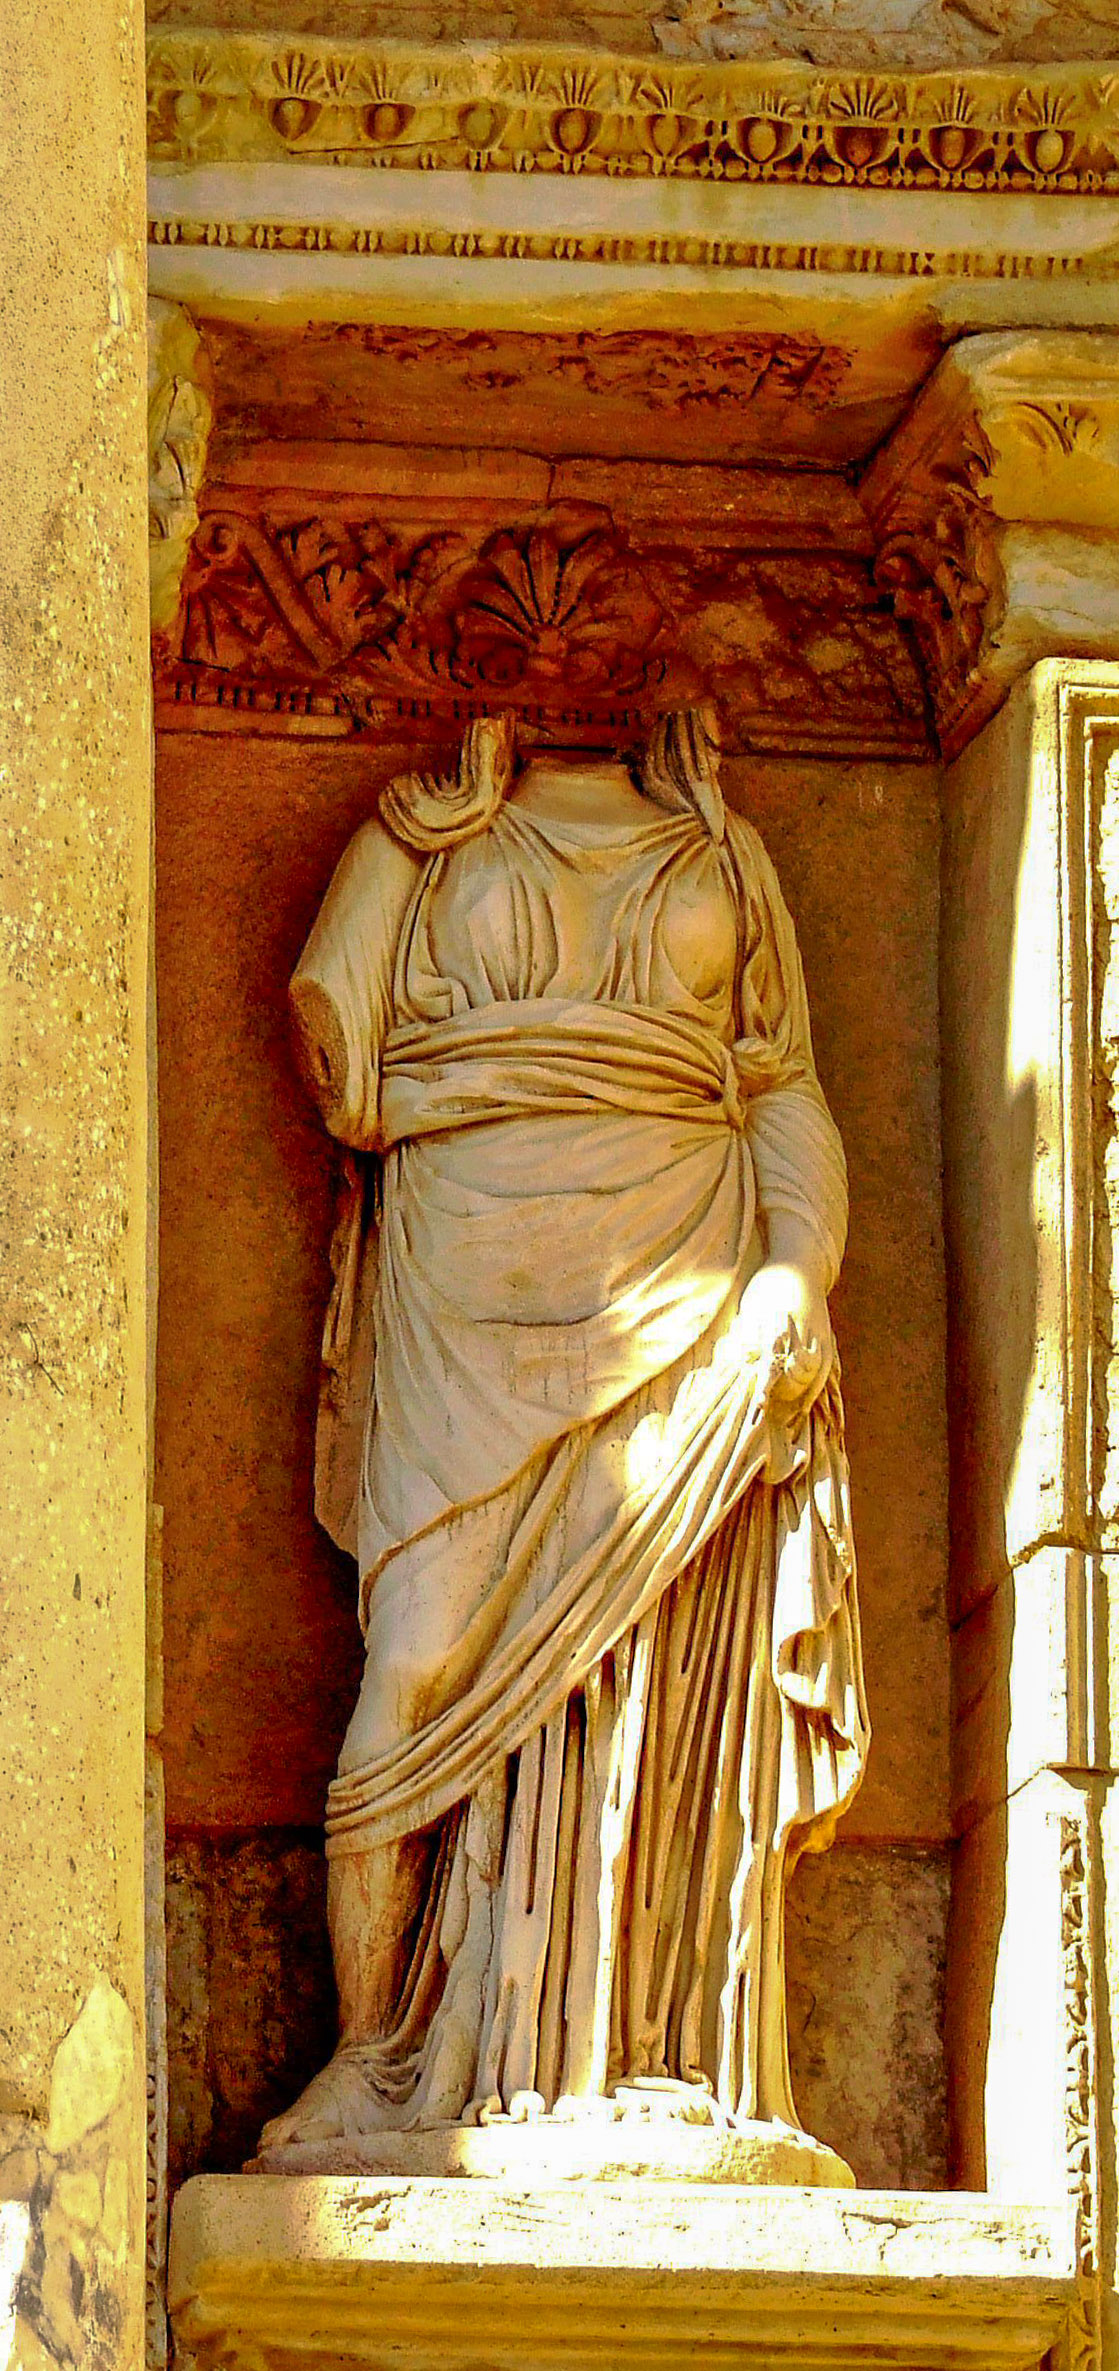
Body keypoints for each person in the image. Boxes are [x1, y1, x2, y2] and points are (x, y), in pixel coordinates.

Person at [258, 706, 869, 2173]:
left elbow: (777, 1079)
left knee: (650, 1667)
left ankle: (638, 2049)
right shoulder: (436, 826)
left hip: (687, 1246)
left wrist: (796, 1274)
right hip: (465, 1265)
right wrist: (405, 835)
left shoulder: (720, 838)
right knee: (415, 1655)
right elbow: (338, 1054)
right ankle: (375, 2059)